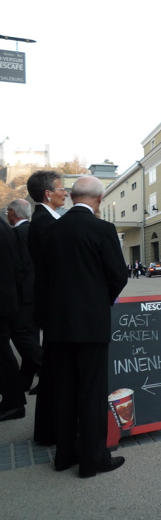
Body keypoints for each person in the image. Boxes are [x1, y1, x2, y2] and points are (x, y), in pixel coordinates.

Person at [38, 175, 128, 478]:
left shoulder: (51, 230)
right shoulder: (102, 229)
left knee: (65, 390)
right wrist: (102, 302)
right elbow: (119, 275)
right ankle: (93, 459)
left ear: (73, 196)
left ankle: (65, 455)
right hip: (91, 325)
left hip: (58, 325)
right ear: (99, 199)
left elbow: (43, 281)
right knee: (91, 390)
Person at [26, 169, 67, 445]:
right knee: (55, 371)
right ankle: (50, 431)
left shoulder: (49, 220)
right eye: (61, 188)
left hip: (54, 307)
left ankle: (50, 430)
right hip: (56, 308)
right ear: (48, 194)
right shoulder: (44, 223)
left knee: (53, 371)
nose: (66, 192)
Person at [6, 199, 43, 394]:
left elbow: (18, 267)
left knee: (20, 334)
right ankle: (25, 381)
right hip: (38, 293)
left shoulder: (16, 234)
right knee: (31, 336)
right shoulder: (34, 231)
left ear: (13, 212)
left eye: (7, 212)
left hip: (24, 295)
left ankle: (48, 371)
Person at [0, 218, 27, 422]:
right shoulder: (6, 227)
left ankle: (13, 401)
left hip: (3, 298)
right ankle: (13, 400)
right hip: (7, 297)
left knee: (2, 353)